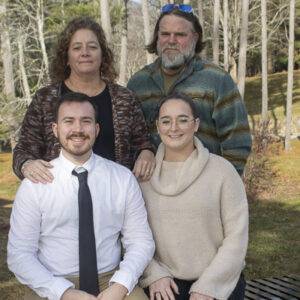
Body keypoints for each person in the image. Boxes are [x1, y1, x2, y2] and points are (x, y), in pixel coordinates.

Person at [7, 92, 155, 300]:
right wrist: (63, 292)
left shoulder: (122, 178)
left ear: (96, 129)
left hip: (110, 278)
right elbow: (19, 255)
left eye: (86, 121)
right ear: (55, 129)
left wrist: (121, 285)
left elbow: (141, 241)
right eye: (69, 121)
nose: (78, 129)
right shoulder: (35, 185)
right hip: (52, 279)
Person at [13, 16, 155, 184]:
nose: (85, 52)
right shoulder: (45, 99)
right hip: (59, 196)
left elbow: (143, 143)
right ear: (66, 57)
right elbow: (23, 150)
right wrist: (26, 164)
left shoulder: (125, 98)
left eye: (92, 47)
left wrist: (147, 152)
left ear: (103, 55)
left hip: (114, 195)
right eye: (77, 47)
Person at [140, 93, 249, 300]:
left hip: (219, 280)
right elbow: (133, 237)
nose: (174, 128)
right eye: (166, 121)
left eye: (183, 120)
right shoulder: (144, 176)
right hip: (166, 282)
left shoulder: (222, 171)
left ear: (196, 124)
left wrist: (209, 286)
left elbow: (237, 238)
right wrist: (153, 274)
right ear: (157, 126)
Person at [127, 4, 252, 176]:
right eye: (165, 34)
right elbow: (131, 137)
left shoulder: (216, 79)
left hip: (203, 186)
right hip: (152, 189)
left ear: (195, 37)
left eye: (180, 35)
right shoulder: (139, 82)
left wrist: (223, 183)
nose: (171, 40)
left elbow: (237, 140)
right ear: (157, 38)